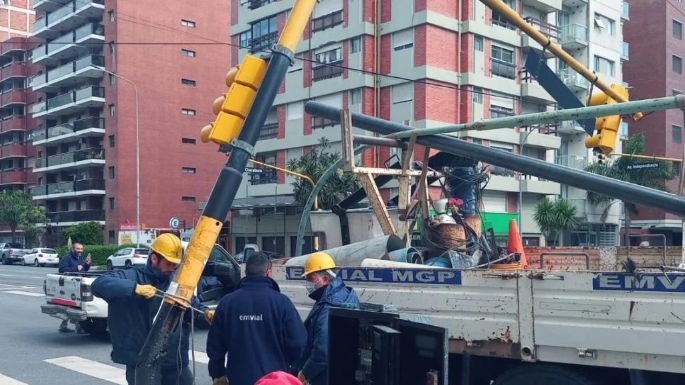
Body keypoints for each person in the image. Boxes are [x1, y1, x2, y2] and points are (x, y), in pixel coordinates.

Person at [91, 234, 213, 385]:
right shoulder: (132, 277)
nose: (173, 268)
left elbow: (192, 308)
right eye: (169, 264)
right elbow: (99, 284)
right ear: (154, 259)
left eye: (175, 264)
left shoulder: (176, 284)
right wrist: (135, 288)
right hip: (142, 363)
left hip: (174, 363)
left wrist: (206, 314)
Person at [207, 252, 306, 385]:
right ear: (269, 273)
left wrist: (218, 373)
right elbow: (299, 343)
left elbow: (215, 346)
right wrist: (290, 368)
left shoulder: (227, 303)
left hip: (238, 378)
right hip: (274, 380)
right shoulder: (282, 303)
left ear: (246, 272)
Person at [297, 252, 360, 385]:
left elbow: (322, 351)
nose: (309, 284)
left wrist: (305, 373)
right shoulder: (345, 295)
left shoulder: (330, 304)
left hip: (326, 378)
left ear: (325, 279)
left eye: (311, 279)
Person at [57, 242, 92, 332]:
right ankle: (78, 327)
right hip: (69, 284)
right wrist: (76, 268)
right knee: (74, 305)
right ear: (73, 249)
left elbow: (84, 269)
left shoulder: (80, 257)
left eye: (81, 249)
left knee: (74, 305)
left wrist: (87, 264)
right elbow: (61, 269)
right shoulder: (67, 258)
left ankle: (64, 325)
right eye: (78, 249)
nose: (80, 250)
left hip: (79, 284)